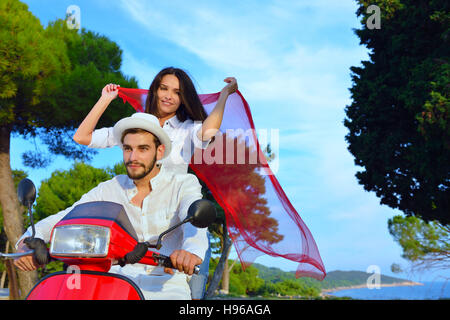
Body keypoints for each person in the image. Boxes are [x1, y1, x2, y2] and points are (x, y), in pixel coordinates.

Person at [72, 67, 237, 298]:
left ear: (183, 98)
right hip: (138, 226)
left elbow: (209, 130)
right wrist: (105, 99)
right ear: (155, 91)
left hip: (179, 224)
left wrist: (224, 95)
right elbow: (82, 137)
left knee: (191, 296)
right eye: (163, 88)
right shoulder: (134, 127)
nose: (168, 96)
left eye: (177, 92)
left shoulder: (187, 129)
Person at [14, 112, 208, 300]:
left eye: (143, 149)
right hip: (113, 280)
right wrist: (29, 241)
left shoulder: (182, 184)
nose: (133, 157)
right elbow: (68, 215)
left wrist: (191, 252)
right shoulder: (110, 188)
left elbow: (193, 220)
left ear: (159, 151)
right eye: (127, 148)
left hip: (164, 284)